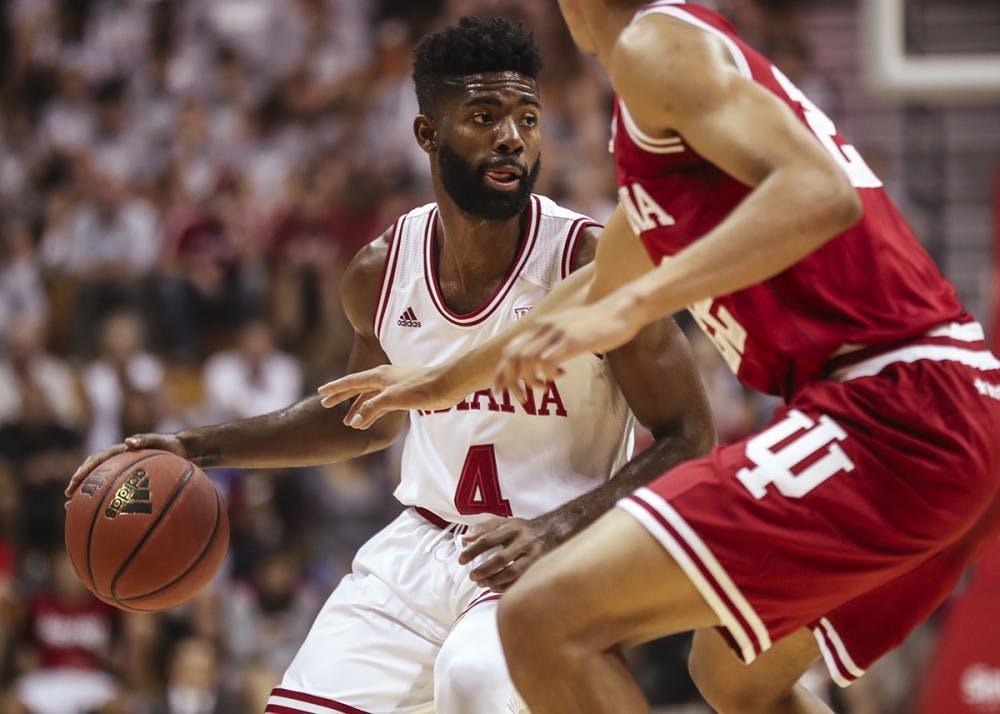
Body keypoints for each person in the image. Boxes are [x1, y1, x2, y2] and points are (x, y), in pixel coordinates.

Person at [319, 2, 1000, 713]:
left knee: (543, 620)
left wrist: (635, 307)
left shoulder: (654, 43)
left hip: (894, 408)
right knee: (734, 678)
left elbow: (819, 194)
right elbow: (596, 283)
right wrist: (434, 381)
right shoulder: (674, 100)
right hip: (959, 413)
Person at [66, 17, 714, 714]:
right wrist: (198, 446)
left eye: (527, 117)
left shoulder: (586, 263)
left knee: (475, 684)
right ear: (427, 134)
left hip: (549, 555)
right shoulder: (382, 270)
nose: (512, 138)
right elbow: (364, 420)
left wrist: (556, 529)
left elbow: (689, 436)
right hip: (421, 546)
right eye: (483, 116)